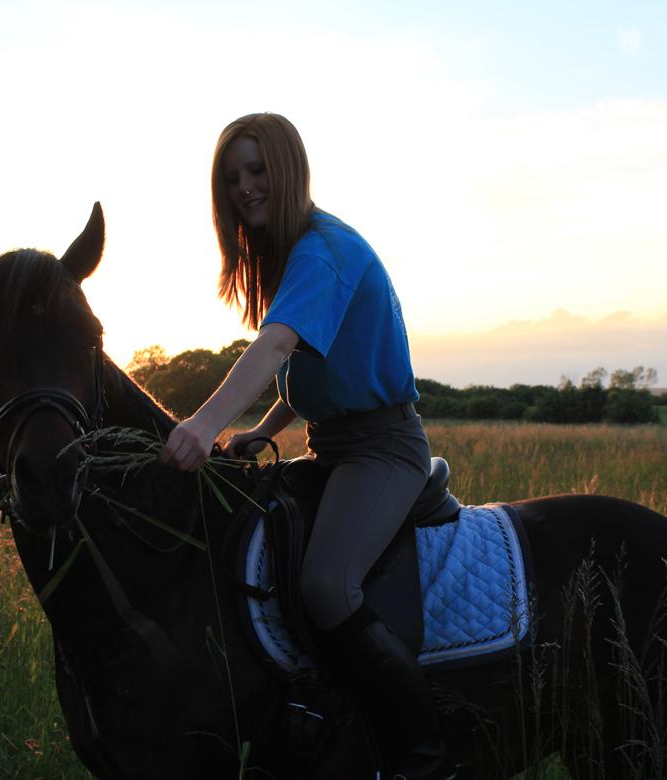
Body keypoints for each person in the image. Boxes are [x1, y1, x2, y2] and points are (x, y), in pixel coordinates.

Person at [158, 112, 455, 780]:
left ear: (289, 170)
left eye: (257, 171)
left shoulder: (322, 250)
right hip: (334, 445)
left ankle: (424, 756)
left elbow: (279, 344)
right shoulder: (291, 255)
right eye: (232, 177)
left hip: (383, 449)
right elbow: (314, 367)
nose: (244, 188)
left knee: (325, 583)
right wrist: (266, 428)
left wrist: (203, 424)